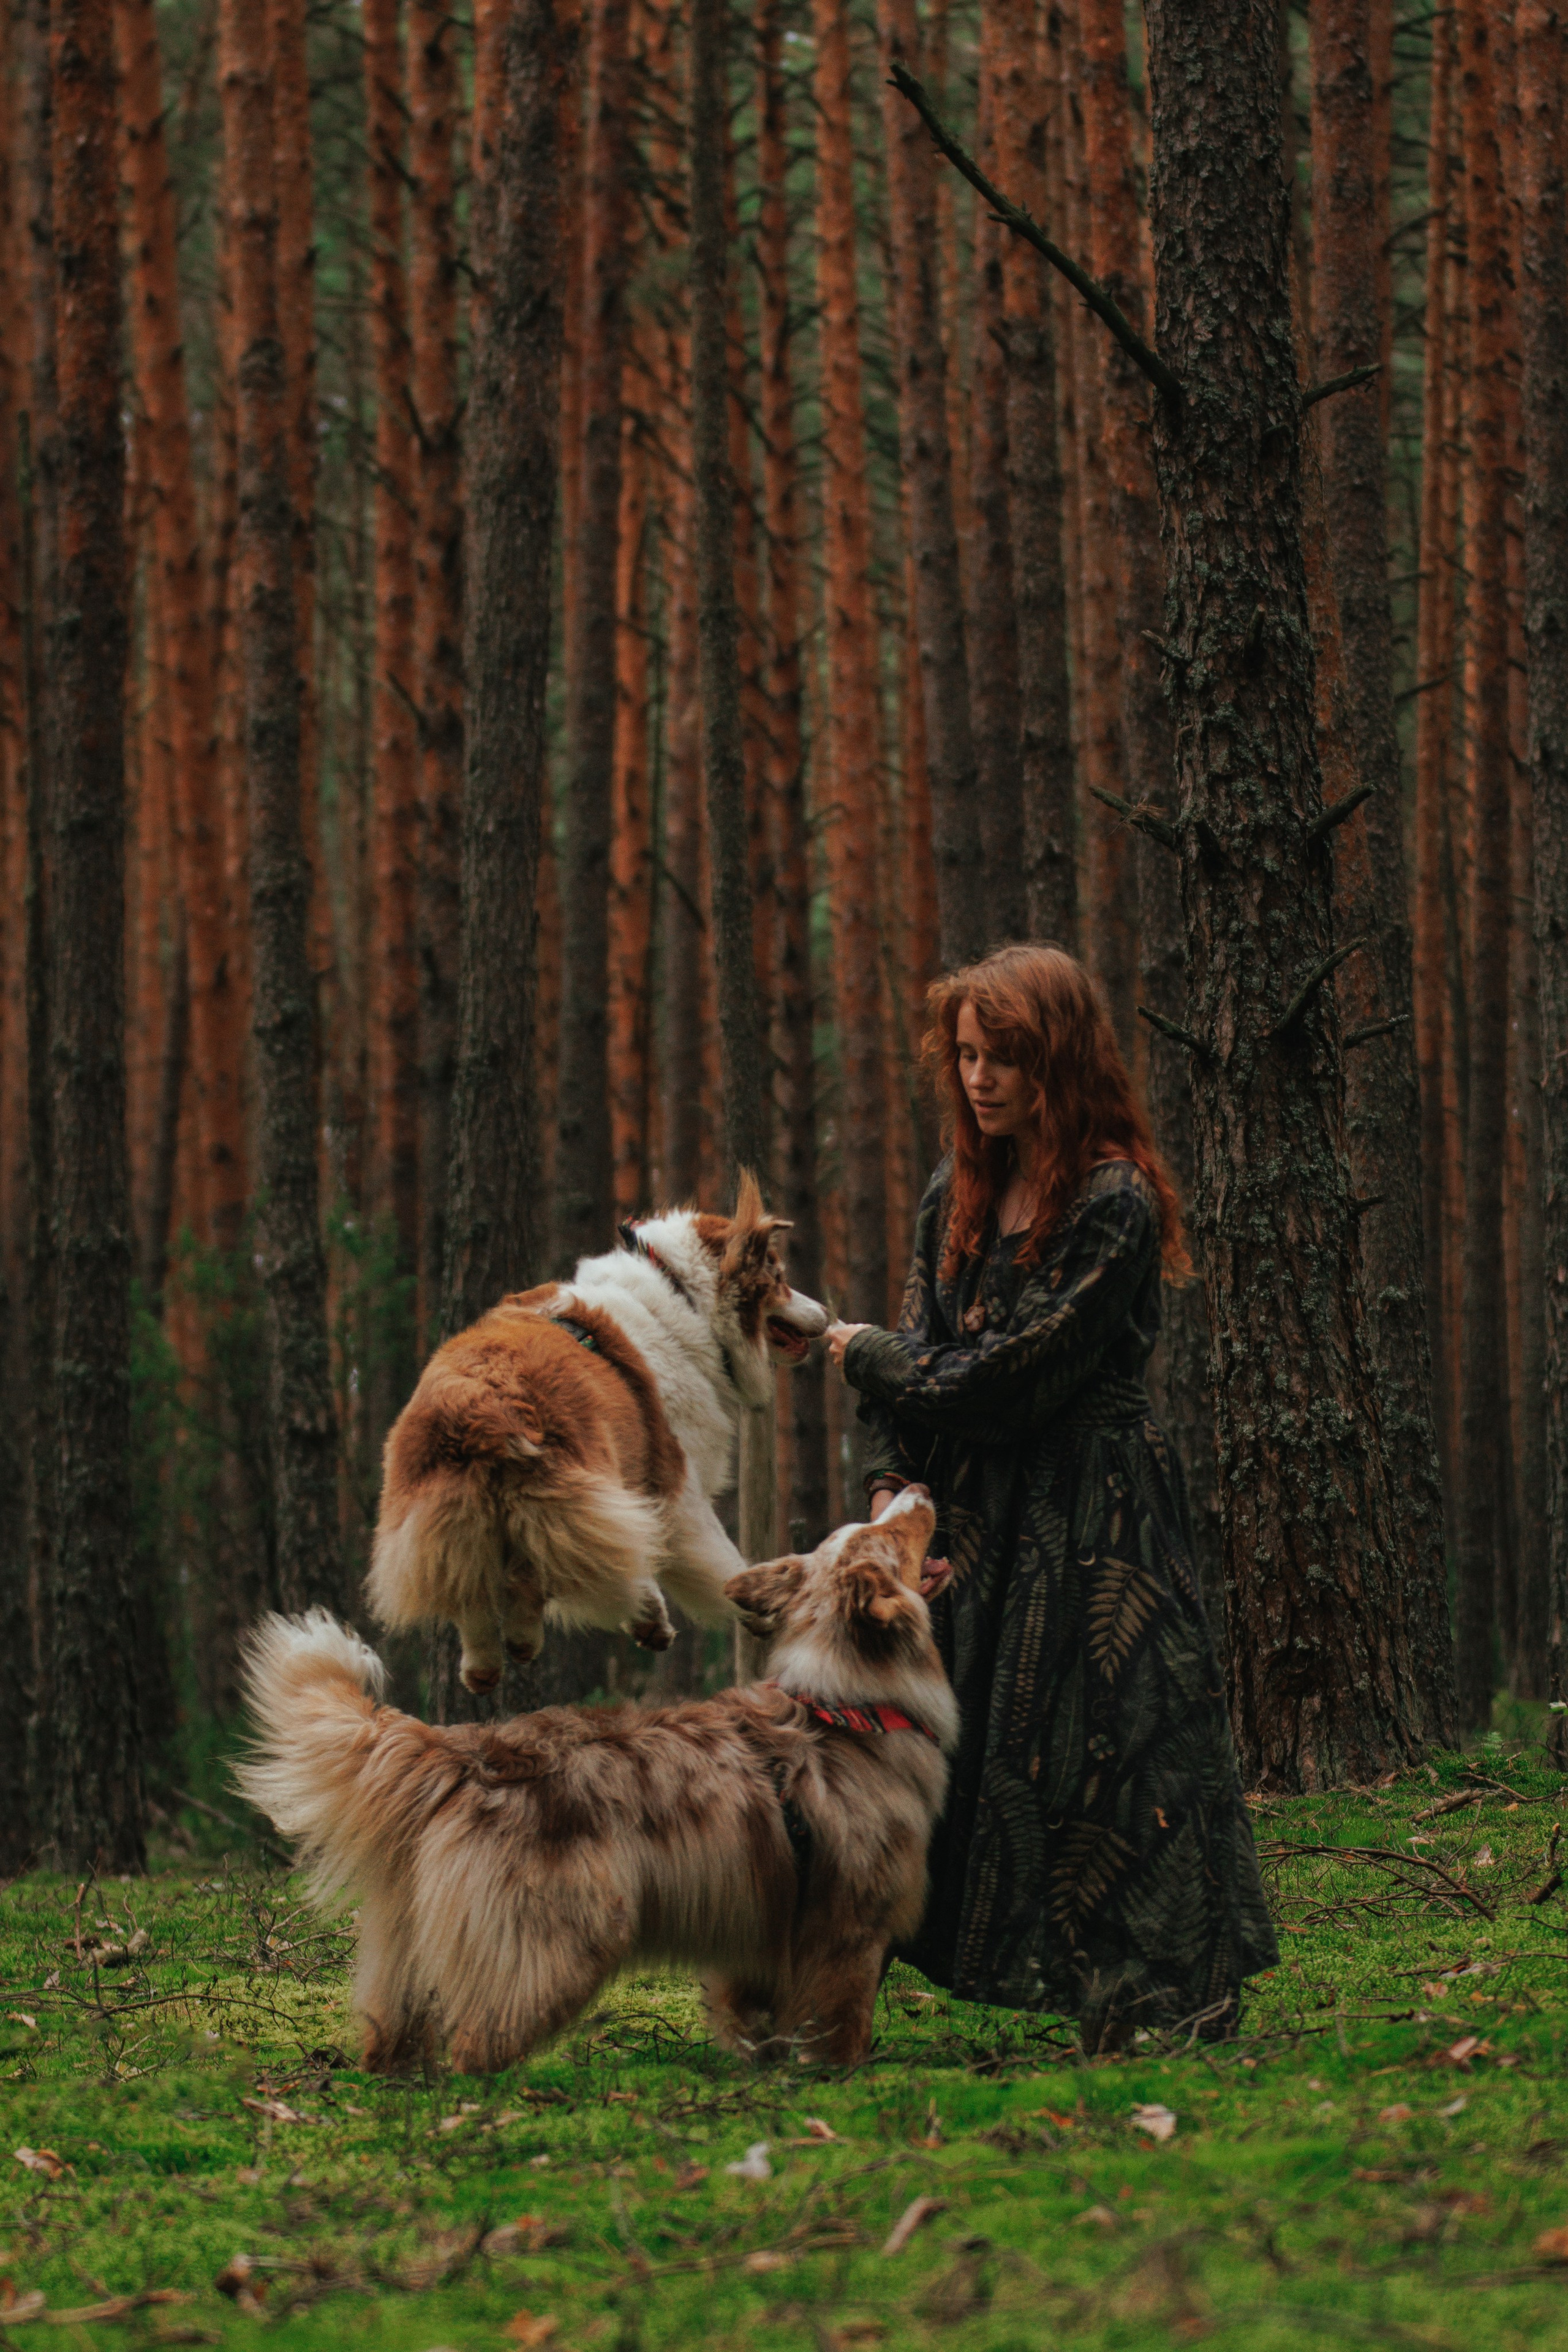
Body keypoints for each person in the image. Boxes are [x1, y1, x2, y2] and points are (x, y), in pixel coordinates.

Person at [825, 943, 1276, 2051]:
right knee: (940, 1743)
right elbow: (927, 1353)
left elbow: (1015, 1377)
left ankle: (1152, 2000)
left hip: (1097, 1516)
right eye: (967, 1055)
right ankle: (828, 1986)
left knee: (1116, 1750)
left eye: (1006, 1057)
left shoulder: (1114, 1200)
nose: (979, 1079)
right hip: (974, 1514)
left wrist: (864, 1355)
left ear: (1058, 1060)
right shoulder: (959, 1186)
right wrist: (893, 1495)